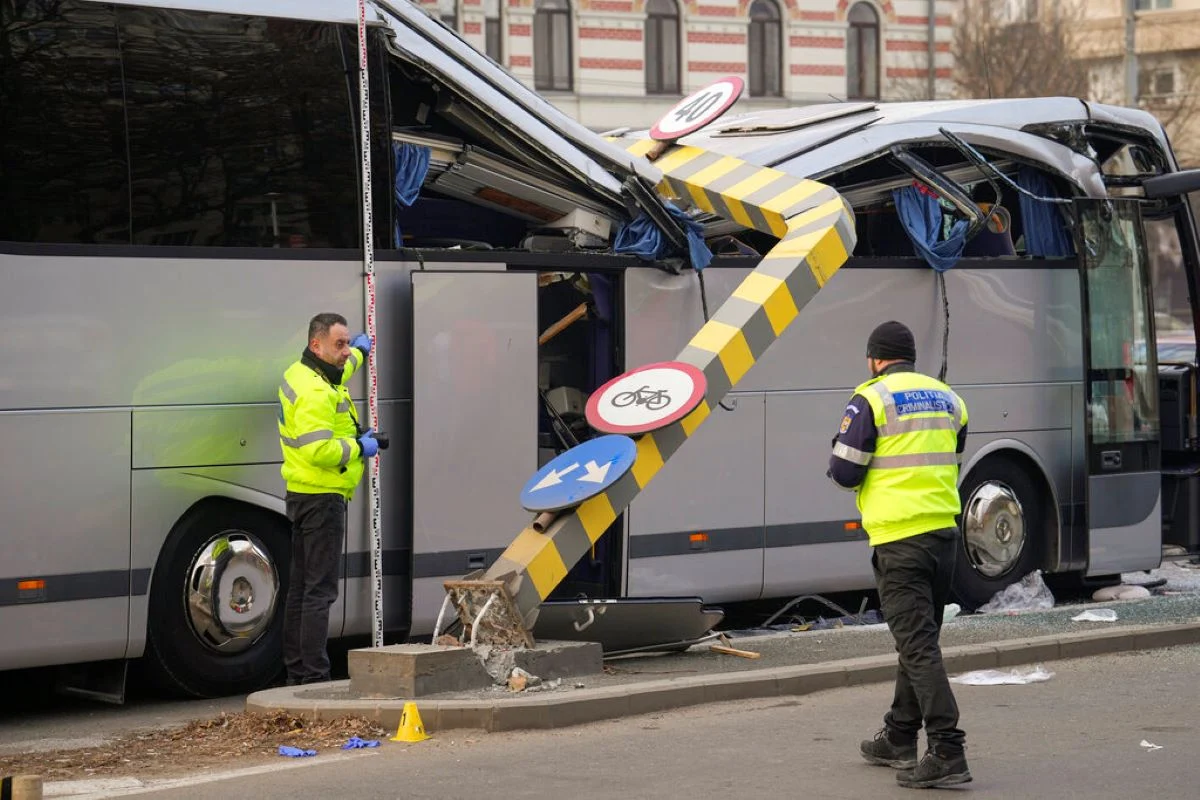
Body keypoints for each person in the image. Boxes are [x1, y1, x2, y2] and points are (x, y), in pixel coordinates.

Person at [827, 320, 971, 790]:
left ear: (875, 358)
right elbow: (953, 454)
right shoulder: (949, 398)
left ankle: (948, 749)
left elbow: (845, 471)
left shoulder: (870, 398)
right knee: (919, 639)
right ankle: (899, 736)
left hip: (900, 541)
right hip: (945, 538)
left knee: (917, 645)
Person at [277, 313, 378, 685]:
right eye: (340, 344)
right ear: (316, 344)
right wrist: (359, 446)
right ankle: (315, 677)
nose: (345, 351)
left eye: (348, 342)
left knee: (301, 590)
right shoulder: (315, 391)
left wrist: (359, 355)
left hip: (302, 494)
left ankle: (297, 672)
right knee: (319, 592)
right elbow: (319, 449)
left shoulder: (302, 373)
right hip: (323, 498)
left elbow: (340, 369)